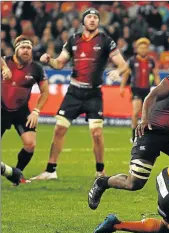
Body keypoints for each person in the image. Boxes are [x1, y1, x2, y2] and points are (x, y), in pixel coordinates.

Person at [88, 44, 169, 212]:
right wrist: (143, 120)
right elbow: (153, 95)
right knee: (134, 183)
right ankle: (102, 182)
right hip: (151, 131)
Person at [31, 8, 129, 180]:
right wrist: (49, 60)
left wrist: (118, 72)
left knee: (96, 133)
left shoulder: (106, 41)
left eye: (95, 17)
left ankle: (100, 171)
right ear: (83, 21)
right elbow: (59, 63)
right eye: (89, 17)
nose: (92, 20)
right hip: (74, 93)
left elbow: (123, 65)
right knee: (59, 129)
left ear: (98, 22)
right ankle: (50, 170)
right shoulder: (73, 40)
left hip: (94, 94)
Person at [1, 36, 50, 184]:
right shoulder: (5, 61)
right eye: (23, 47)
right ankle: (10, 172)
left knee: (30, 144)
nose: (26, 50)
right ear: (16, 49)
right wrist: (3, 67)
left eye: (29, 48)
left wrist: (36, 111)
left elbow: (45, 92)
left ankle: (17, 173)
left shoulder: (36, 68)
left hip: (21, 111)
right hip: (1, 109)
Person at [119, 37, 160, 143]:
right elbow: (126, 73)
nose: (143, 50)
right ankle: (134, 136)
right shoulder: (132, 60)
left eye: (145, 48)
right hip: (136, 90)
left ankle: (147, 134)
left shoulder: (151, 61)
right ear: (137, 49)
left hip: (147, 90)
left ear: (147, 49)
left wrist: (160, 88)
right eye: (141, 48)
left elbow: (156, 75)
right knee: (136, 112)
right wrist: (122, 86)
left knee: (148, 114)